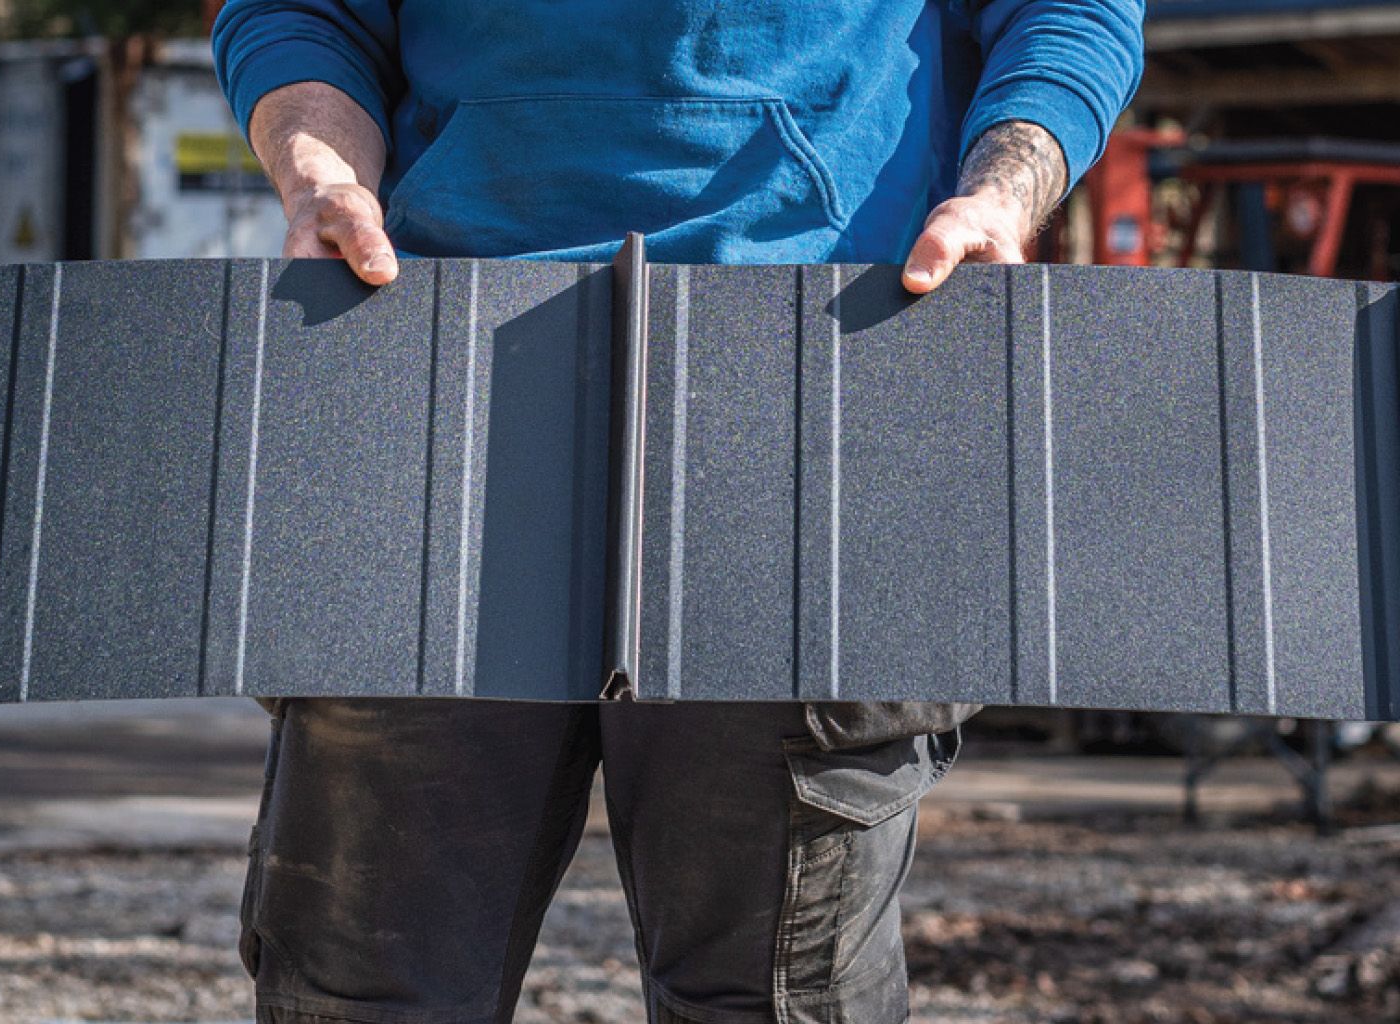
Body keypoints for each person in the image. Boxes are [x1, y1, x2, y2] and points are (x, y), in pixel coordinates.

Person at [212, 3, 1144, 1022]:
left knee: (776, 1001)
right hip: (441, 379)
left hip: (813, 389)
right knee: (369, 997)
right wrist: (323, 176)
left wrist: (1000, 195)